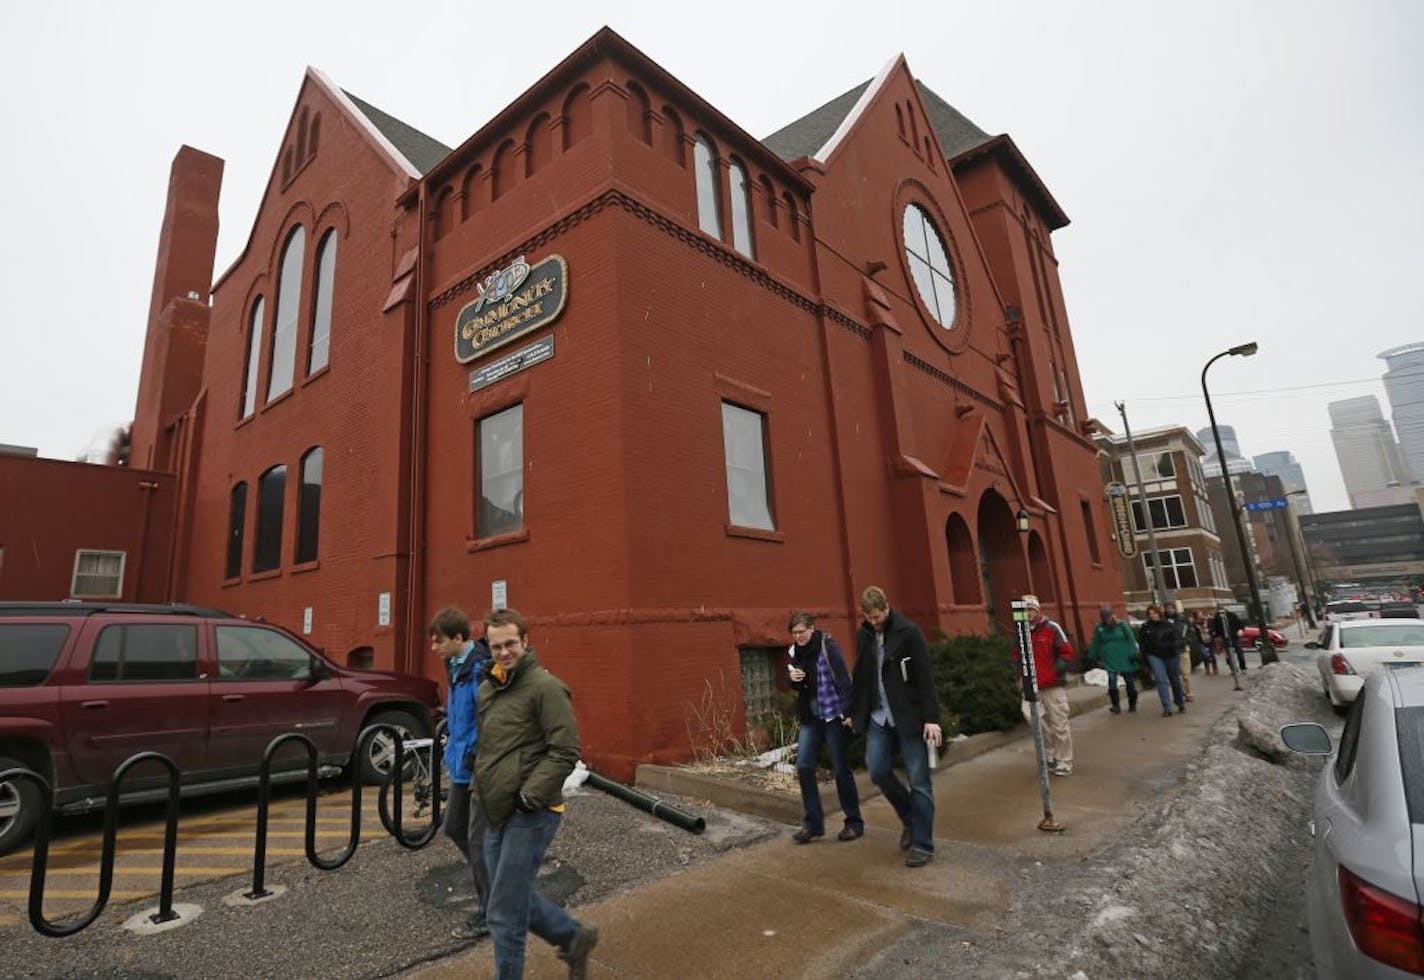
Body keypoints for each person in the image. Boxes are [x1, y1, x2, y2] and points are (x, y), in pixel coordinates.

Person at [472, 608, 598, 980]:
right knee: (509, 898)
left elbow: (564, 751)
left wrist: (529, 796)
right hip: (495, 812)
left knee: (503, 914)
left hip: (531, 812)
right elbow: (492, 747)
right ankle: (572, 936)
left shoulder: (545, 687)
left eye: (511, 643)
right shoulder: (488, 688)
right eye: (496, 646)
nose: (504, 652)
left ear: (525, 642)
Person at [849, 586, 943, 869]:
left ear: (887, 608)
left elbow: (925, 677)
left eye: (878, 616)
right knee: (877, 771)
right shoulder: (864, 635)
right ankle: (910, 819)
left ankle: (923, 844)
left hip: (909, 718)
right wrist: (854, 712)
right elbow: (862, 676)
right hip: (880, 717)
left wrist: (932, 718)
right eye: (869, 617)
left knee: (919, 782)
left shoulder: (909, 633)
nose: (875, 621)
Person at [429, 606, 492, 941]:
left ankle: (490, 912)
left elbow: (490, 721)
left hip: (479, 768)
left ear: (458, 637)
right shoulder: (454, 665)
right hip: (460, 767)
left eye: (438, 641)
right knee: (453, 826)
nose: (433, 647)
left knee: (480, 840)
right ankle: (493, 876)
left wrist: (473, 753)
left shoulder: (480, 668)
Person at [786, 611, 863, 844]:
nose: (798, 636)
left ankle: (854, 822)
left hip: (833, 717)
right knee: (804, 766)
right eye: (794, 632)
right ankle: (813, 825)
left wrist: (849, 712)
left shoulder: (828, 647)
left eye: (801, 631)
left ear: (812, 628)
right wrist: (794, 680)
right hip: (811, 718)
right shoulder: (793, 653)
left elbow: (842, 679)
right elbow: (793, 682)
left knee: (841, 769)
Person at [1014, 595, 1076, 774]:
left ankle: (1064, 761)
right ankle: (1050, 754)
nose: (1028, 613)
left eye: (1031, 609)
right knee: (1033, 718)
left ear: (1037, 610)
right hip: (1030, 685)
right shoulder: (1020, 632)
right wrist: (1019, 676)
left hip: (1052, 685)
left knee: (1059, 724)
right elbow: (1016, 656)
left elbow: (1066, 652)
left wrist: (1054, 672)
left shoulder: (1052, 628)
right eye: (1024, 610)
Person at [1087, 603, 1138, 714]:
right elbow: (1096, 643)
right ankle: (1116, 706)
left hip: (1124, 656)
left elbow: (1131, 639)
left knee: (1129, 681)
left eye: (1108, 616)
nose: (1107, 619)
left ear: (1112, 615)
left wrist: (1132, 653)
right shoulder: (1099, 628)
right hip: (1110, 658)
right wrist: (1091, 657)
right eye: (1104, 617)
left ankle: (1132, 704)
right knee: (1112, 681)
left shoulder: (1121, 625)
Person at [1139, 604, 1186, 717]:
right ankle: (1167, 707)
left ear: (1159, 613)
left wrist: (1173, 646)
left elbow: (1178, 639)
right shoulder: (1145, 627)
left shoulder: (1168, 625)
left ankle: (1180, 702)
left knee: (1175, 680)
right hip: (1154, 655)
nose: (1152, 616)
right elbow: (1143, 643)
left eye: (1154, 613)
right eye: (1150, 614)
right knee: (1160, 680)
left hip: (1171, 654)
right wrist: (1145, 657)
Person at [1163, 601, 1194, 702]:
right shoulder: (1163, 621)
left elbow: (1190, 632)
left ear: (1174, 609)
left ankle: (1188, 693)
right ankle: (1180, 693)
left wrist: (1186, 641)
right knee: (1175, 675)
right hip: (1170, 651)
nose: (1169, 610)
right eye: (1167, 608)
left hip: (1183, 648)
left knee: (1186, 673)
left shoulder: (1182, 619)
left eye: (1171, 608)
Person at [1209, 605, 1246, 674]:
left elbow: (1240, 624)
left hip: (1234, 637)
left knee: (1239, 653)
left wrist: (1240, 630)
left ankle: (1242, 668)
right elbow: (1215, 628)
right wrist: (1215, 634)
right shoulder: (1217, 618)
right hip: (1225, 638)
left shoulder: (1232, 615)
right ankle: (1233, 669)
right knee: (1229, 655)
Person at [1191, 609, 1218, 675]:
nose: (1201, 615)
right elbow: (1194, 633)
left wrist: (1209, 630)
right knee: (1205, 655)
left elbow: (1213, 628)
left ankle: (1215, 669)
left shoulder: (1207, 621)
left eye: (1201, 614)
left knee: (1212, 655)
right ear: (1196, 616)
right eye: (1199, 614)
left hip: (1209, 640)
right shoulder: (1194, 624)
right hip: (1201, 641)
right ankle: (1207, 669)